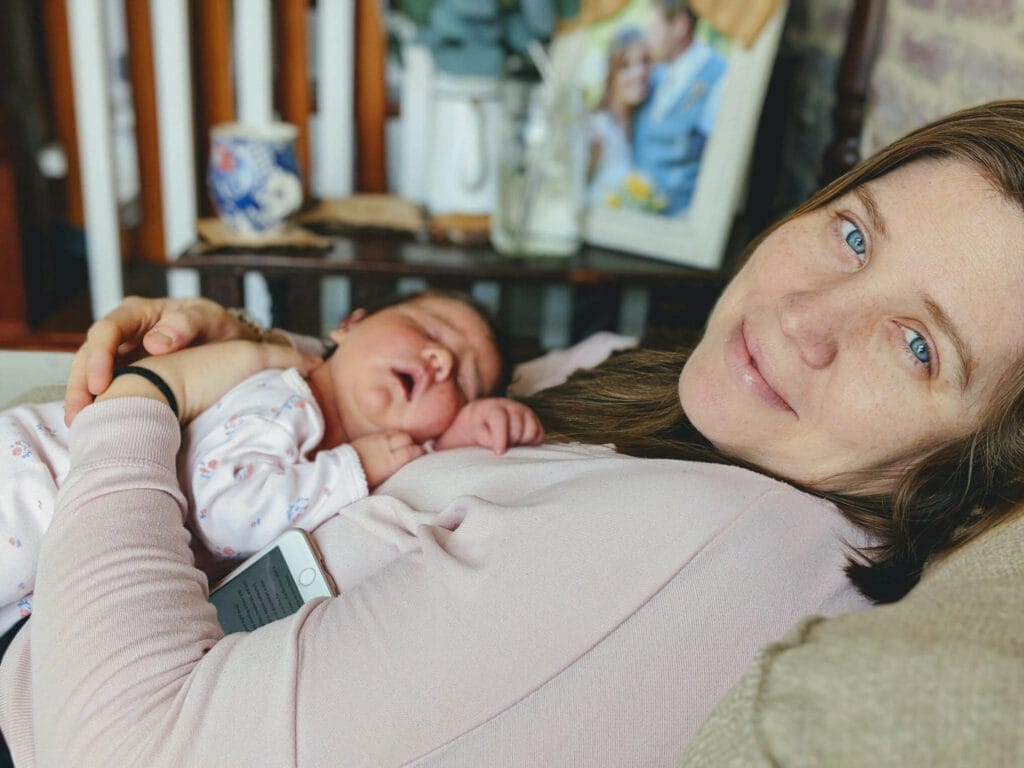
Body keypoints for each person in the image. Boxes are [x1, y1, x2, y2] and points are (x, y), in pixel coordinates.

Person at [4, 101, 1024, 766]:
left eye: (917, 346)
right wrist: (268, 358)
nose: (804, 318)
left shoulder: (721, 548)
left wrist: (144, 401)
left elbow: (124, 754)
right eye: (853, 234)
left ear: (981, 463)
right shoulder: (670, 393)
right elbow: (455, 394)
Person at [0, 289, 542, 635]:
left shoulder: (349, 443)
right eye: (429, 329)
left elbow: (408, 457)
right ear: (349, 325)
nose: (442, 358)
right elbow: (226, 515)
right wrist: (352, 466)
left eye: (465, 380)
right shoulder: (288, 395)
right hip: (32, 482)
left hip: (61, 549)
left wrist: (469, 430)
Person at [632, 0, 727, 215]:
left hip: (680, 220)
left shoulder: (718, 78)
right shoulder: (654, 72)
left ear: (680, 26)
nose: (647, 39)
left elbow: (717, 167)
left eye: (653, 29)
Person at [586, 25, 652, 208]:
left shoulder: (643, 125)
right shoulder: (596, 130)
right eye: (625, 66)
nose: (639, 73)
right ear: (611, 73)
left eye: (645, 62)